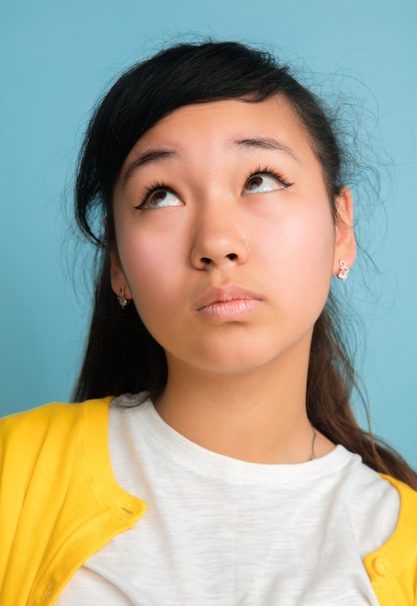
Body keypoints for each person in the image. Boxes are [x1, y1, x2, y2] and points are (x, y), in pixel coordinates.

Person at [1, 41, 416, 606]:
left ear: (341, 227)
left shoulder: (406, 542)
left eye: (261, 180)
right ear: (118, 265)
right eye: (161, 194)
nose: (216, 243)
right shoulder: (13, 471)